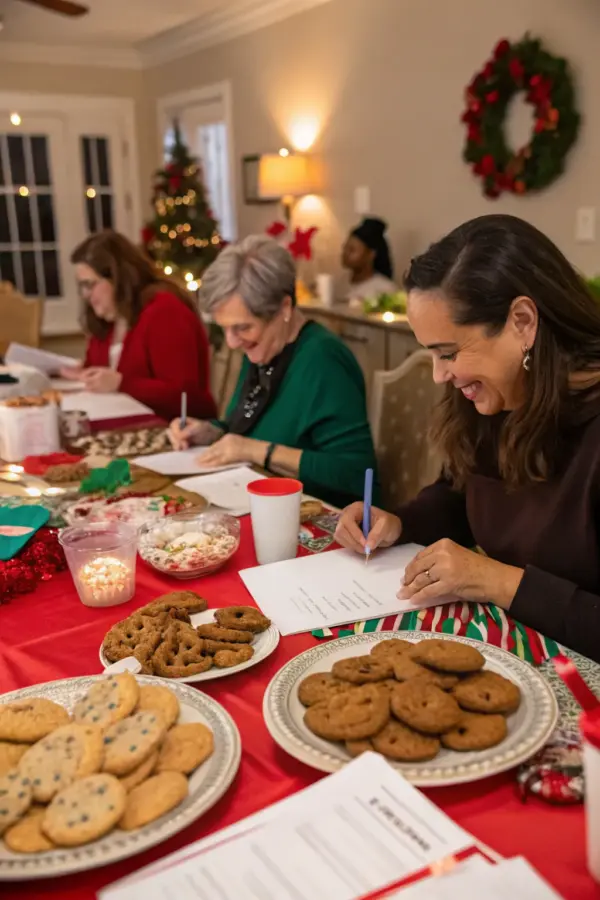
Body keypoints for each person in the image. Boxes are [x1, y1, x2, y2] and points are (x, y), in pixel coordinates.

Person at [335, 213, 600, 663]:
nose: (439, 375)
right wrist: (399, 523)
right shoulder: (501, 398)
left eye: (449, 353)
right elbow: (461, 492)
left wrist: (498, 581)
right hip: (513, 654)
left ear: (522, 322)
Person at [168, 235, 378, 509]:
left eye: (243, 328)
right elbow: (248, 426)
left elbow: (355, 474)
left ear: (285, 307)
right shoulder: (263, 349)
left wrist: (254, 450)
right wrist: (210, 432)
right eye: (225, 329)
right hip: (262, 505)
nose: (231, 342)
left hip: (325, 521)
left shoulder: (323, 360)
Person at [61, 231, 216, 422]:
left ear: (117, 277)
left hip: (176, 432)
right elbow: (105, 371)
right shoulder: (108, 317)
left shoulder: (165, 311)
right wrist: (85, 372)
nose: (85, 294)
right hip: (133, 424)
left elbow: (184, 396)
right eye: (82, 286)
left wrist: (121, 383)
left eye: (90, 284)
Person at [342, 217, 398, 304]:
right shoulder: (338, 283)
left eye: (352, 250)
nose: (345, 254)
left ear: (371, 254)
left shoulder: (385, 290)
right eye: (345, 248)